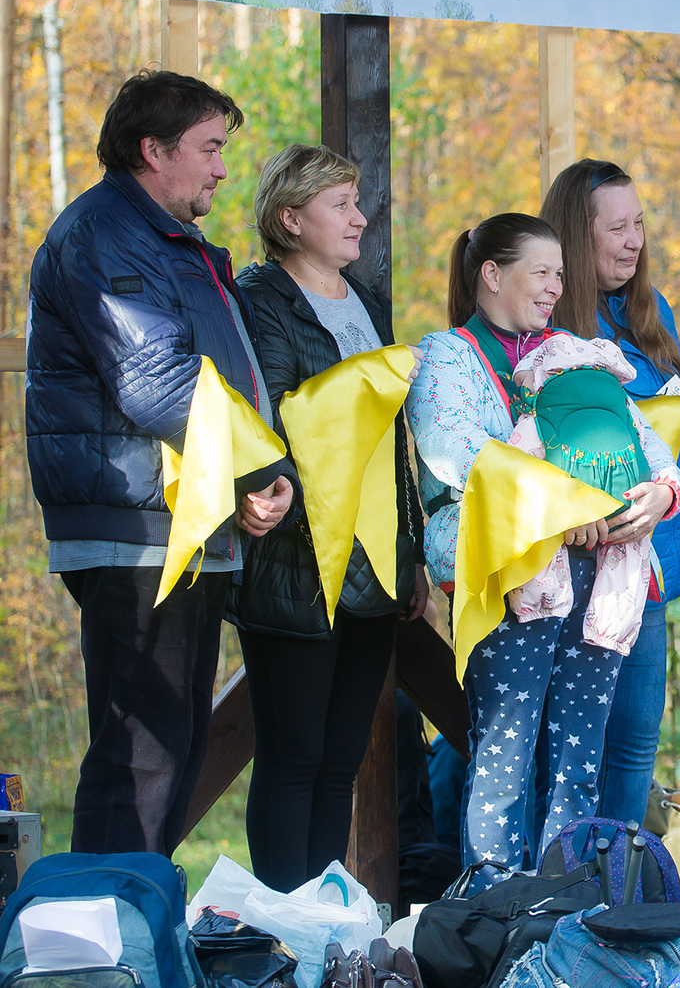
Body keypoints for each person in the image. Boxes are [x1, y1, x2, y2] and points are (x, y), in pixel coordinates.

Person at [26, 70, 295, 855]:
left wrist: (258, 480)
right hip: (137, 531)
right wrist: (259, 471)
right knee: (139, 760)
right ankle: (111, 955)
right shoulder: (105, 233)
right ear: (153, 150)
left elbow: (219, 377)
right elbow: (157, 382)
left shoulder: (169, 240)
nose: (220, 167)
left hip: (187, 521)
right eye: (209, 148)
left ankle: (141, 933)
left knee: (171, 752)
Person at [407, 213, 680, 887]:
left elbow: (644, 442)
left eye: (561, 273)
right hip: (509, 576)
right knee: (505, 755)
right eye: (541, 272)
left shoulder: (579, 355)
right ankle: (494, 901)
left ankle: (567, 899)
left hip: (601, 579)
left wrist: (661, 495)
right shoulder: (446, 357)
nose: (556, 287)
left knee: (577, 759)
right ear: (491, 275)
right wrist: (569, 505)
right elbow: (456, 454)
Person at [232, 143, 429, 891]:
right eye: (341, 204)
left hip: (376, 561)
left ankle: (321, 921)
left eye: (357, 200)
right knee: (293, 759)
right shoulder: (261, 301)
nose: (361, 216)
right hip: (296, 559)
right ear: (291, 218)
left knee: (342, 757)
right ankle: (284, 930)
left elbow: (391, 438)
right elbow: (272, 424)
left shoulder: (366, 300)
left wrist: (408, 551)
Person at [541, 158, 680, 824]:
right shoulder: (544, 316)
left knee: (634, 749)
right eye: (617, 228)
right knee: (572, 753)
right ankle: (563, 903)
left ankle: (620, 904)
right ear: (579, 235)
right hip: (576, 571)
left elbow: (658, 430)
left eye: (639, 224)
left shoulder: (648, 311)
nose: (634, 241)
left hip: (653, 563)